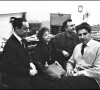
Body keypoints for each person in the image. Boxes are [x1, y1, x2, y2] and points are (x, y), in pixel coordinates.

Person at [52, 22, 100, 89]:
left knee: (64, 82)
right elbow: (70, 62)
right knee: (58, 80)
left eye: (85, 34)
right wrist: (70, 69)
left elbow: (98, 71)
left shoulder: (98, 46)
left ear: (90, 33)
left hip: (92, 79)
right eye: (80, 35)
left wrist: (78, 73)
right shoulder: (77, 47)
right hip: (76, 75)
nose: (82, 37)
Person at [2, 17, 37, 89]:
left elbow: (27, 54)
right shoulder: (10, 45)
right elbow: (12, 68)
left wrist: (31, 63)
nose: (28, 31)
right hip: (16, 78)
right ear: (17, 29)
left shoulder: (23, 41)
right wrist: (29, 72)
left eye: (28, 28)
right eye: (25, 29)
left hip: (24, 74)